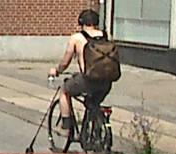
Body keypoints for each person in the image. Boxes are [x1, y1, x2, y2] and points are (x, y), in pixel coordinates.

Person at [47, 8, 121, 137]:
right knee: (92, 104)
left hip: (87, 80)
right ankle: (93, 132)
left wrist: (57, 71)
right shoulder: (106, 35)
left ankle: (65, 127)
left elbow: (65, 62)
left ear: (81, 23)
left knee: (64, 91)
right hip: (107, 82)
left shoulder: (77, 38)